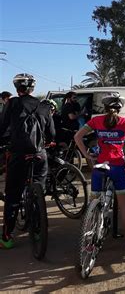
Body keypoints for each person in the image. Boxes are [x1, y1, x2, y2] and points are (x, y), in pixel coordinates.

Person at [74, 92, 125, 253]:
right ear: (119, 109)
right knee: (124, 207)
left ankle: (89, 241)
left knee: (94, 202)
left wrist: (86, 155)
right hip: (118, 167)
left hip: (100, 166)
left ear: (105, 107)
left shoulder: (96, 121)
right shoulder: (123, 122)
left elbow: (77, 136)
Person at [0, 74, 55, 249]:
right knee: (39, 188)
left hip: (18, 155)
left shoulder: (12, 103)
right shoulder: (43, 106)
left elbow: (1, 127)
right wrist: (47, 143)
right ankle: (38, 229)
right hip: (40, 155)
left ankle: (7, 237)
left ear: (17, 88)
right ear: (32, 89)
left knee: (13, 195)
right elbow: (52, 133)